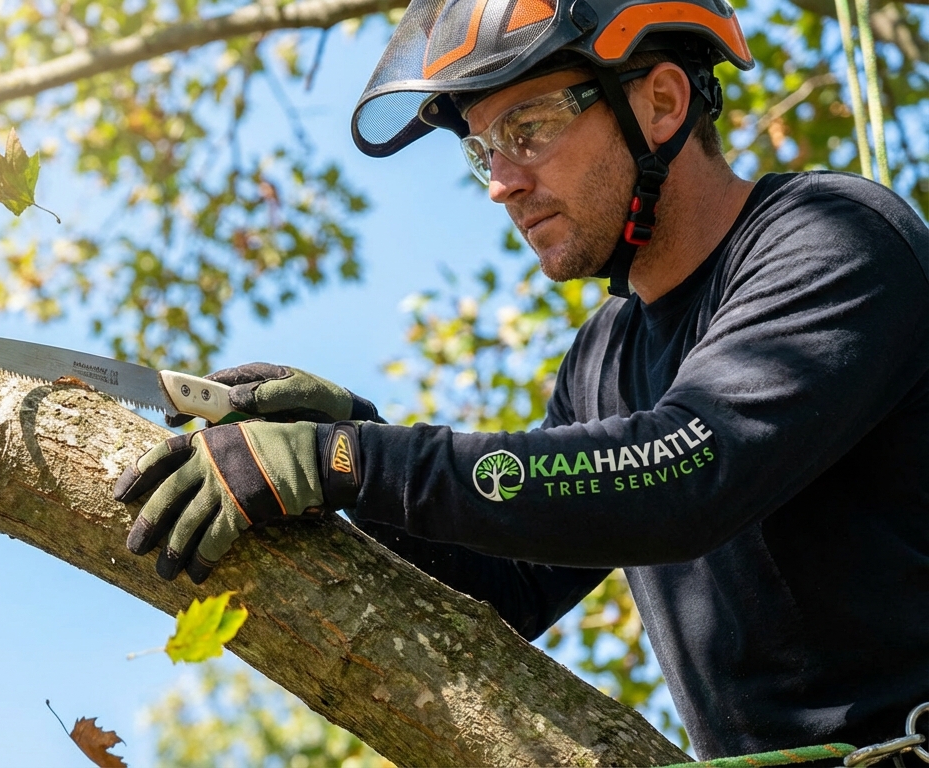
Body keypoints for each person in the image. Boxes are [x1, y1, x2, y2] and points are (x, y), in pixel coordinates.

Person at [112, 0, 929, 758]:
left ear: (662, 103)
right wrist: (357, 447)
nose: (501, 183)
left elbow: (686, 472)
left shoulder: (831, 238)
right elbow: (510, 586)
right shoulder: (602, 359)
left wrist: (348, 459)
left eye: (528, 128)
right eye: (483, 151)